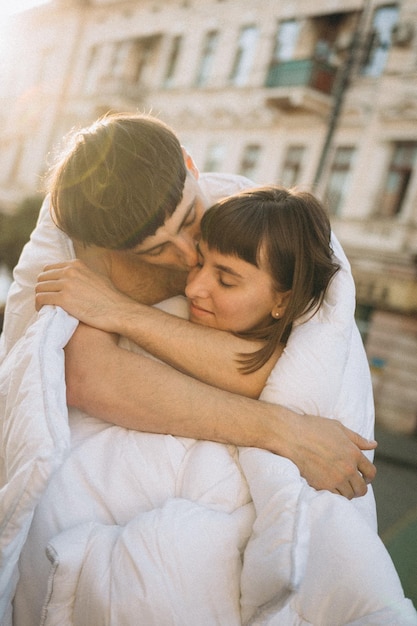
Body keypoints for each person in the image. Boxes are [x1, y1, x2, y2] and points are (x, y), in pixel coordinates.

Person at [32, 186, 417, 624]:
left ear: (283, 301)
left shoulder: (305, 374)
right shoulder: (177, 311)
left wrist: (116, 310)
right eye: (200, 262)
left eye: (226, 279)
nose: (195, 286)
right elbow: (89, 375)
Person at [0, 112, 377, 497]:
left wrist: (116, 310)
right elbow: (88, 378)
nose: (186, 253)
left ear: (190, 164)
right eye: (157, 249)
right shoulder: (86, 232)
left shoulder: (254, 219)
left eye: (190, 218)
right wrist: (286, 432)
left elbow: (290, 368)